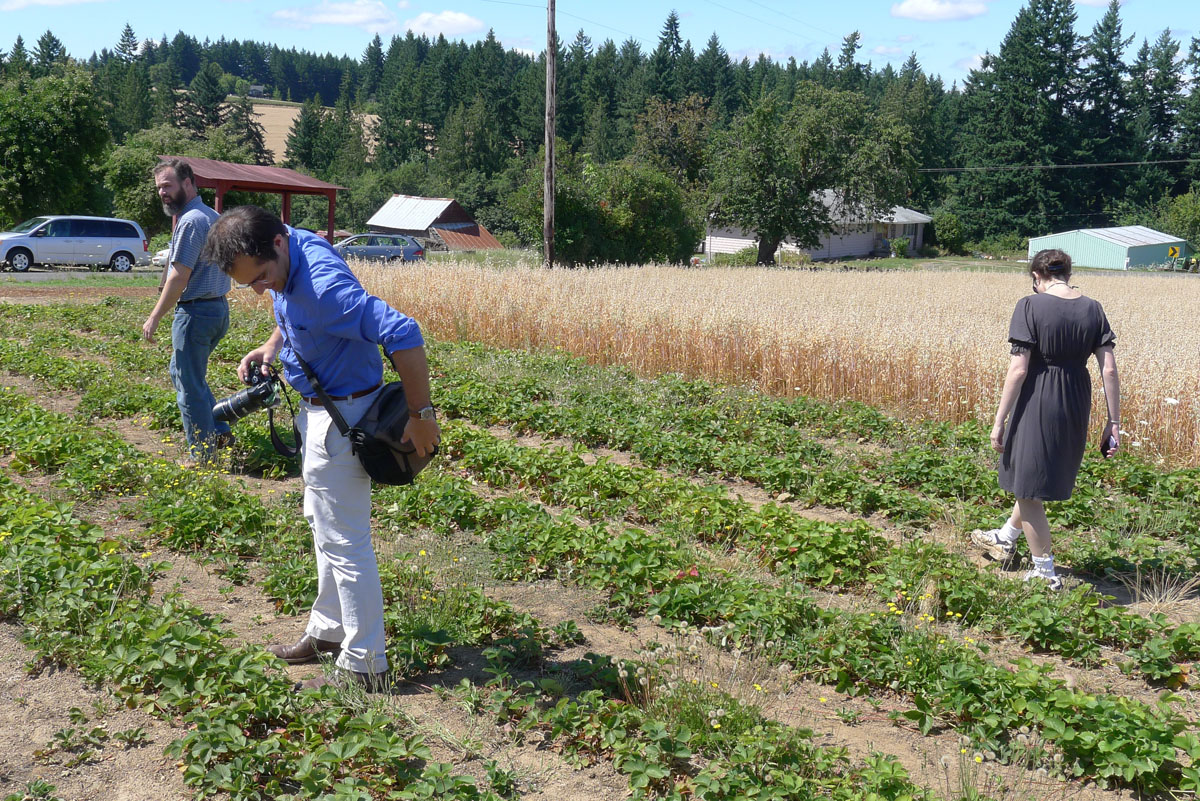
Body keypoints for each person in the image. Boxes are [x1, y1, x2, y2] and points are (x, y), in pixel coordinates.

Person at [201, 205, 440, 689]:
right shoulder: (293, 241)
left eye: (262, 278)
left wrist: (421, 416)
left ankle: (366, 662)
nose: (261, 289)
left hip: (342, 419)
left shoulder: (326, 290)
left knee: (346, 543)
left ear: (277, 244)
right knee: (324, 526)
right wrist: (274, 345)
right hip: (323, 411)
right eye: (251, 285)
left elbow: (403, 332)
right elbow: (289, 299)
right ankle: (328, 631)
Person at [972, 249, 1120, 591]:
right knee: (1033, 474)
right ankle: (1007, 538)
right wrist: (1113, 422)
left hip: (1038, 396)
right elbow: (1109, 369)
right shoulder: (1093, 308)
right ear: (1068, 273)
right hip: (1076, 396)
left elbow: (1018, 369)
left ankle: (1044, 571)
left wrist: (999, 421)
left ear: (1037, 277)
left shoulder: (1029, 305)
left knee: (1027, 486)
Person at [141, 158, 233, 464]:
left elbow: (179, 276)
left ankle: (203, 455)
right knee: (185, 374)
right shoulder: (211, 216)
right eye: (158, 188)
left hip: (196, 313)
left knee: (189, 385)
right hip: (216, 309)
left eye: (167, 185)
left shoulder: (192, 221)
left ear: (188, 183)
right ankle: (219, 428)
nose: (162, 193)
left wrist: (155, 316)